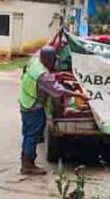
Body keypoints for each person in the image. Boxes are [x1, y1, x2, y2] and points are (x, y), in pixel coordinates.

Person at [19, 46, 87, 175]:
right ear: (46, 59)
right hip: (33, 107)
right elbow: (59, 91)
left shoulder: (35, 62)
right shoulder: (42, 75)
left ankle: (26, 160)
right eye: (53, 60)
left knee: (28, 134)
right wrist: (79, 95)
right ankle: (27, 165)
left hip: (25, 103)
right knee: (32, 135)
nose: (54, 63)